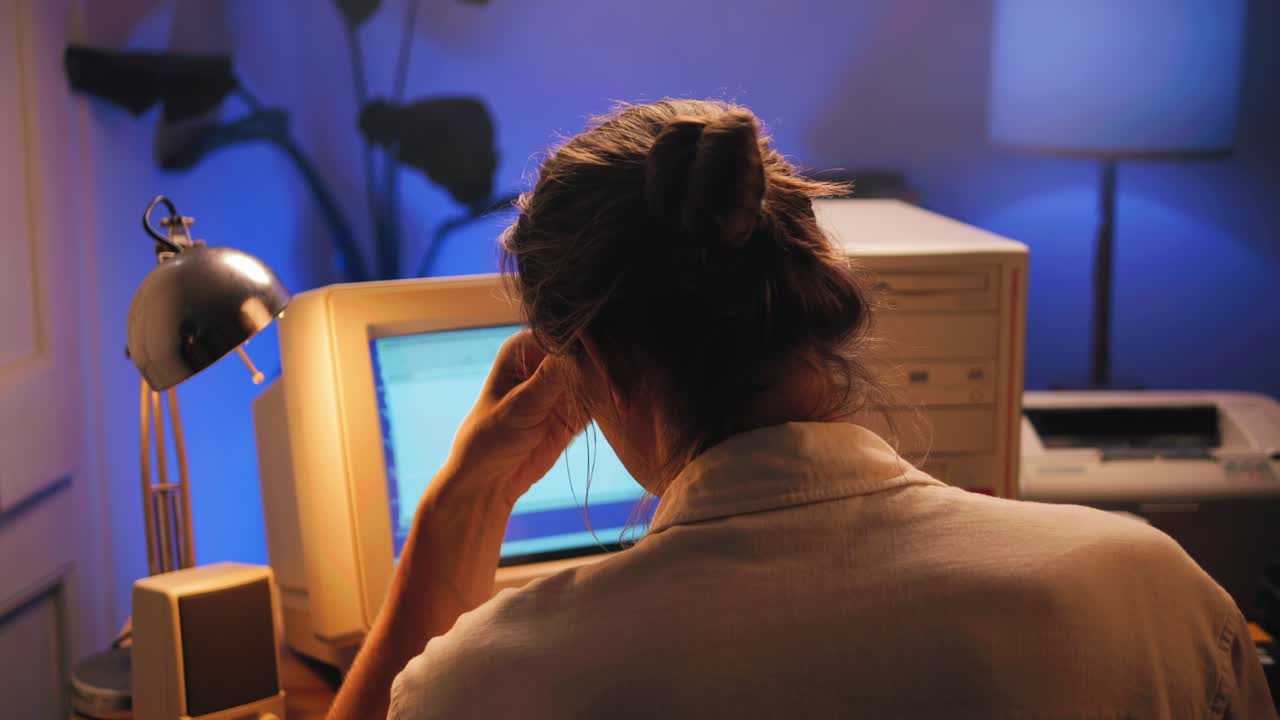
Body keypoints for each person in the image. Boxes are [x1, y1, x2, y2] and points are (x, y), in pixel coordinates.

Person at [329, 100, 1274, 719]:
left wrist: (464, 499)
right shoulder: (1150, 586)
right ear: (822, 309)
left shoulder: (491, 684)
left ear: (599, 364)